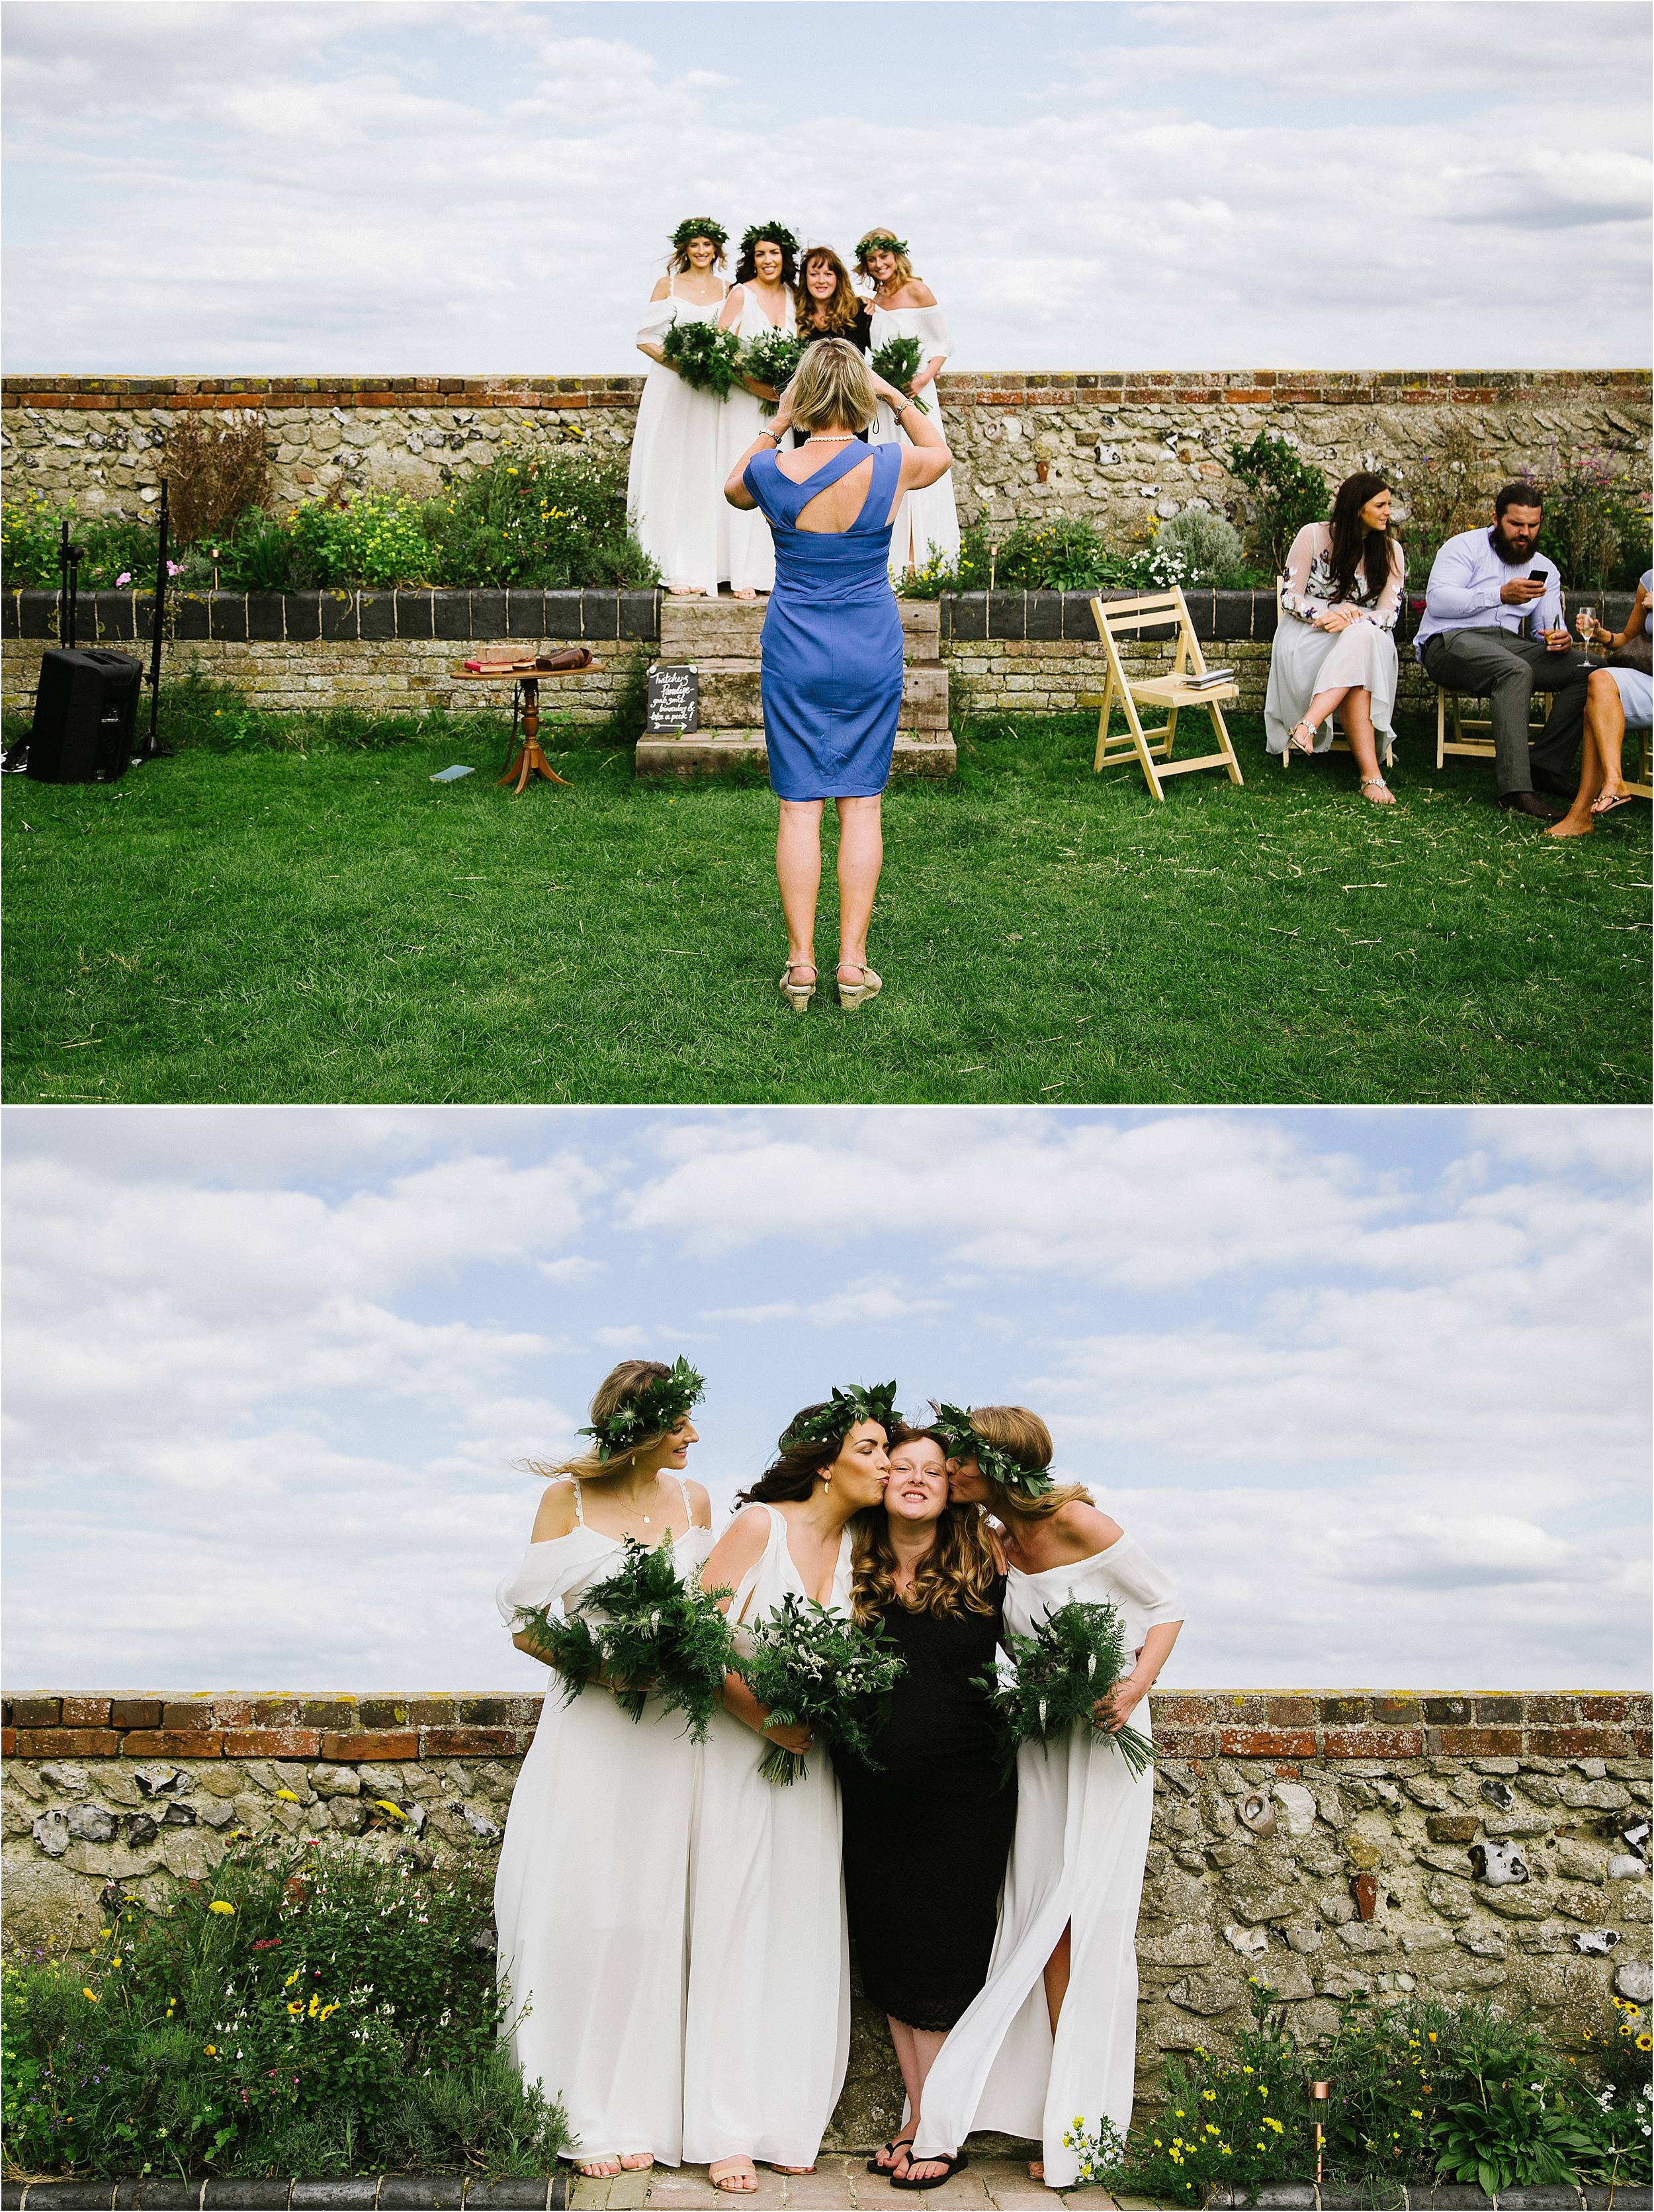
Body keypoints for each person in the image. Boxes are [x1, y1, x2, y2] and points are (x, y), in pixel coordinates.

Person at [909, 1405, 1184, 2193]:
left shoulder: (1075, 1521)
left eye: (957, 1461)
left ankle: (1082, 2130)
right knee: (1039, 1921)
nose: (947, 1471)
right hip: (1038, 1745)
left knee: (1086, 1922)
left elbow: (1165, 1605)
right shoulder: (993, 1541)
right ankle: (1049, 2112)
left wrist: (1133, 1687)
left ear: (993, 1462)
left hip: (1103, 1743)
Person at [492, 1358, 714, 2182]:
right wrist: (605, 1671)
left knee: (654, 1913)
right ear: (639, 1427)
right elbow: (522, 1622)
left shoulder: (695, 1502)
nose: (693, 1436)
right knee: (581, 1905)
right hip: (593, 1729)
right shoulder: (569, 1502)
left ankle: (642, 2108)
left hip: (672, 1737)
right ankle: (567, 2103)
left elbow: (716, 1609)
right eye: (680, 1421)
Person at [681, 1386, 896, 2195]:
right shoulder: (759, 1525)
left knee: (803, 1926)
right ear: (826, 1457)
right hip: (741, 1754)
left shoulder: (861, 1554)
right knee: (735, 1921)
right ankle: (724, 2126)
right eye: (871, 1448)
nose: (883, 1463)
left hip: (813, 1767)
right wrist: (758, 1717)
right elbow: (695, 1632)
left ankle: (784, 2114)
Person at [724, 339, 951, 1013]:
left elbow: (733, 488)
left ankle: (801, 967)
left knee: (798, 808)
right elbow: (940, 452)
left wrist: (775, 419)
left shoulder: (771, 469)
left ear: (803, 397)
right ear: (855, 393)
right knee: (861, 803)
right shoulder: (891, 461)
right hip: (867, 645)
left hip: (794, 645)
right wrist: (894, 394)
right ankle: (851, 966)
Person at [839, 1424, 1016, 2192]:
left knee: (944, 1954)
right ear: (881, 1483)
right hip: (872, 1790)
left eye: (932, 1471)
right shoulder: (852, 1562)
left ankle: (941, 2129)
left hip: (965, 1791)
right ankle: (919, 2116)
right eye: (900, 1467)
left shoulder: (989, 1557)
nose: (914, 1479)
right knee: (893, 1952)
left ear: (953, 1487)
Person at [1414, 482, 1592, 818]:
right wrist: (1499, 595)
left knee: (1588, 667)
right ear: (1495, 518)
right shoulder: (1464, 547)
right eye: (1516, 525)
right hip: (1449, 641)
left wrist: (1561, 638)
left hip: (1508, 644)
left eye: (1533, 525)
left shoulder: (1545, 568)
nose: (1525, 533)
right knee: (1514, 670)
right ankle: (1515, 790)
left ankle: (1545, 766)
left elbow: (1548, 627)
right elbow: (1437, 601)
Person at [1264, 473, 1407, 804]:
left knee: (1363, 639)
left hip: (1364, 635)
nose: (1388, 512)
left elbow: (1389, 613)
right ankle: (1371, 777)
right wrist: (1323, 616)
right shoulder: (1312, 536)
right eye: (1380, 505)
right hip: (1310, 634)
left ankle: (1308, 724)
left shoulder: (1391, 551)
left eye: (1389, 505)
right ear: (1358, 509)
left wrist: (1354, 619)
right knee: (1361, 662)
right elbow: (1288, 596)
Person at [629, 218, 732, 597]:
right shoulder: (667, 286)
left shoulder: (728, 288)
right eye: (695, 245)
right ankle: (669, 561)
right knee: (671, 466)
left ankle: (712, 563)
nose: (702, 251)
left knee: (707, 468)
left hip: (711, 389)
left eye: (708, 244)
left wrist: (712, 367)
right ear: (684, 250)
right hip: (673, 387)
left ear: (717, 249)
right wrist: (683, 367)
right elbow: (646, 339)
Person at [857, 228, 961, 578]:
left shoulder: (917, 289)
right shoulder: (874, 298)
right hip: (885, 398)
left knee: (921, 463)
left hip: (917, 394)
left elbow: (942, 345)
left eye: (883, 257)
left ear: (896, 255)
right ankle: (894, 561)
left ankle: (926, 560)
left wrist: (922, 378)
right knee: (888, 471)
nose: (878, 264)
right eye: (871, 260)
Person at [717, 222, 799, 598]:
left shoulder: (795, 295)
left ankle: (775, 569)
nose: (768, 260)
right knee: (747, 479)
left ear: (785, 258)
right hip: (746, 403)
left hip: (787, 407)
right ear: (752, 259)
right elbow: (721, 354)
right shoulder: (740, 294)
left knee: (783, 481)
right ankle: (742, 572)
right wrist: (760, 388)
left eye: (775, 253)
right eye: (761, 254)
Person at [1548, 569, 1651, 836]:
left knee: (1592, 710)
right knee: (1600, 682)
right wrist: (1601, 634)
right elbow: (1627, 639)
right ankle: (1614, 781)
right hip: (1649, 680)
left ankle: (1581, 814)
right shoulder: (1650, 579)